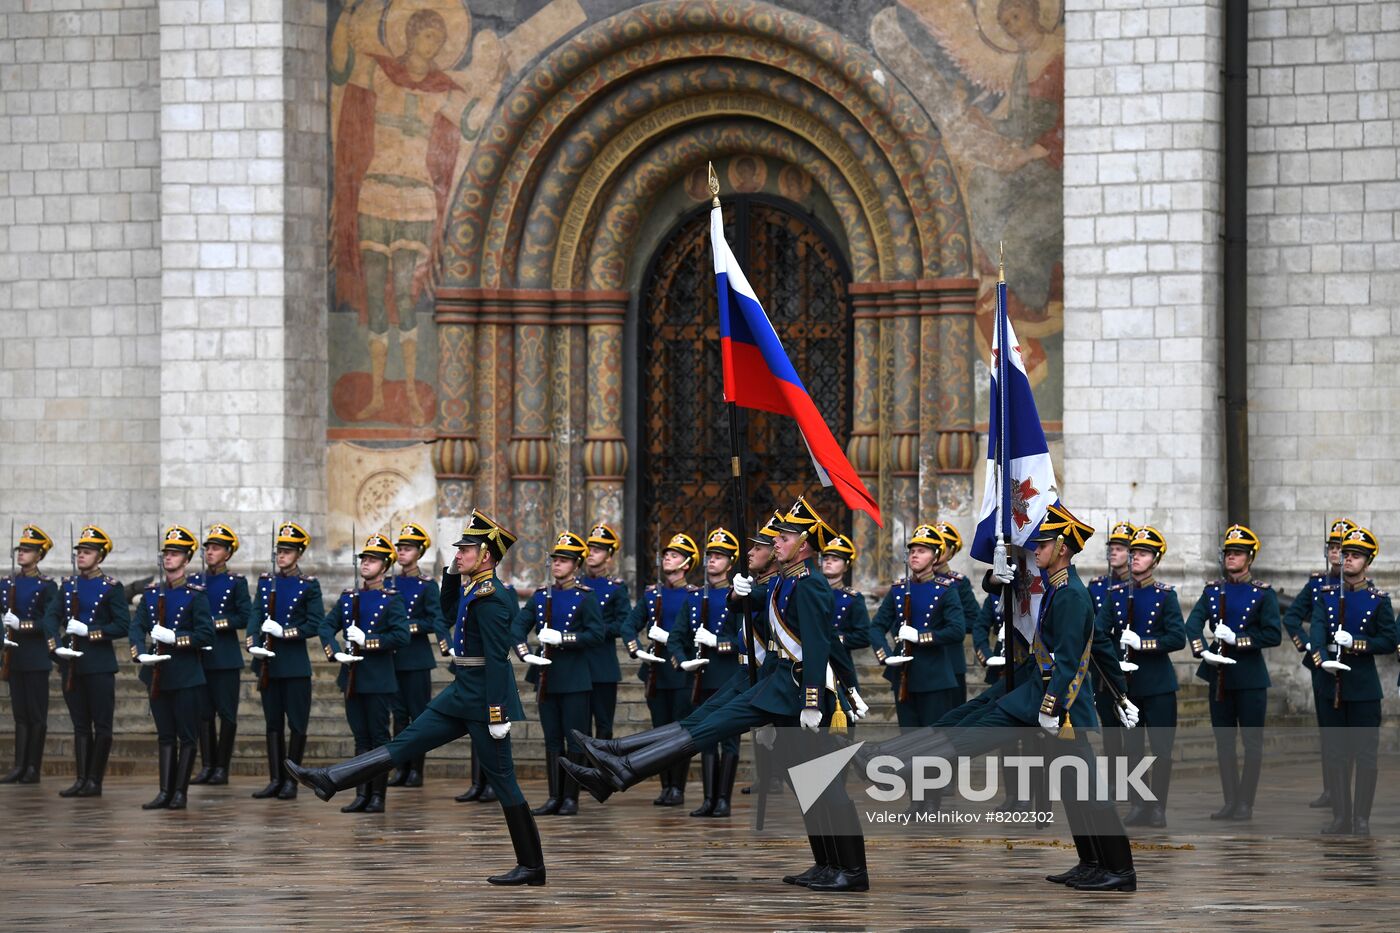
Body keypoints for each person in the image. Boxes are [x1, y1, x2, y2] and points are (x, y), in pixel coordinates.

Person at [563, 497, 868, 893]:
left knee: (823, 784)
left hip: (796, 693)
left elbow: (815, 645)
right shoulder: (785, 580)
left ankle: (854, 872)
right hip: (775, 686)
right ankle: (828, 864)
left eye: (785, 536)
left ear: (805, 544)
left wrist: (812, 701)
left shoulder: (810, 587)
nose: (776, 541)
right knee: (804, 784)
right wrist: (741, 591)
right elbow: (746, 602)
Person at [863, 503, 1139, 892]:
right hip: (1042, 693)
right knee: (1075, 789)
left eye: (1041, 544)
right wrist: (1121, 695)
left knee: (1086, 789)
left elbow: (1074, 657)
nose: (1034, 550)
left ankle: (1120, 870)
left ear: (1062, 547)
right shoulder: (1060, 587)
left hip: (1059, 706)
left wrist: (1054, 706)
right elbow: (1103, 645)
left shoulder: (1072, 594)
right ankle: (1092, 862)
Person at [288, 510, 546, 886]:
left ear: (486, 556)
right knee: (404, 743)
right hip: (461, 692)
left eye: (466, 550)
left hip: (482, 699)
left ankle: (532, 866)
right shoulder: (474, 586)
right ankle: (331, 779)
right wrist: (451, 577)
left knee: (504, 782)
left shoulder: (492, 597)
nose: (458, 555)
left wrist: (497, 712)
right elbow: (446, 613)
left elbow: (496, 657)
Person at [1185, 524, 1282, 821]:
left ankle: (1245, 803)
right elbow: (1192, 624)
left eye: (1238, 553)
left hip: (1250, 677)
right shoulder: (1213, 590)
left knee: (1251, 744)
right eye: (1228, 553)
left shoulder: (1263, 594)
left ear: (1249, 558)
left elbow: (1273, 635)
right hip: (1219, 677)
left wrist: (1237, 640)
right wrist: (1203, 651)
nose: (1231, 558)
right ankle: (1230, 801)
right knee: (1224, 742)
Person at [1305, 525, 1395, 836]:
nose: (1348, 560)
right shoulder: (1326, 596)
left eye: (1355, 556)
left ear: (1367, 562)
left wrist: (1356, 642)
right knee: (1335, 752)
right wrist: (1322, 660)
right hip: (1331, 683)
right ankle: (1341, 817)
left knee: (1365, 754)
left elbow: (1388, 640)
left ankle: (1361, 819)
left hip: (1362, 687)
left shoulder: (1378, 599)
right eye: (1345, 554)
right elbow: (1316, 633)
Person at [510, 531, 602, 816]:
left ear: (577, 565)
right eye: (556, 559)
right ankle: (554, 796)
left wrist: (564, 638)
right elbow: (518, 626)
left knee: (574, 738)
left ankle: (571, 797)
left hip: (574, 676)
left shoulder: (586, 598)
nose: (558, 564)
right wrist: (524, 652)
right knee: (551, 738)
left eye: (565, 560)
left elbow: (596, 634)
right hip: (546, 676)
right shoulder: (541, 596)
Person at [319, 533, 410, 814]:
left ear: (385, 567)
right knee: (360, 738)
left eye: (373, 560)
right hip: (352, 677)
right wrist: (335, 652)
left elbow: (401, 636)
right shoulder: (349, 598)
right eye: (364, 559)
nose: (366, 564)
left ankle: (378, 797)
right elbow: (325, 627)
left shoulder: (392, 600)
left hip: (378, 678)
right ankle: (361, 794)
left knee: (379, 739)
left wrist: (368, 639)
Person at [1103, 525, 1184, 828]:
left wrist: (1145, 644)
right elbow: (1099, 633)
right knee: (1133, 749)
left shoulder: (1165, 596)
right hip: (1128, 685)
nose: (1136, 557)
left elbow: (1177, 638)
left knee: (1161, 749)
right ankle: (1139, 803)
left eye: (1143, 553)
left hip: (1159, 684)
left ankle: (1158, 806)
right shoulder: (1115, 595)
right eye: (1134, 552)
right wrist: (1114, 657)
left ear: (1156, 559)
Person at [130, 526, 215, 810]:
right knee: (165, 734)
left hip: (185, 673)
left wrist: (176, 639)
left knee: (187, 735)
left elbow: (206, 634)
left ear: (187, 559)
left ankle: (180, 792)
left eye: (175, 553)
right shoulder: (152, 593)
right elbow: (137, 627)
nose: (169, 557)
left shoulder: (196, 595)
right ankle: (164, 791)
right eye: (166, 552)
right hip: (157, 673)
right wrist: (140, 653)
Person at [248, 521, 325, 800]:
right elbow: (255, 614)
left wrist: (286, 632)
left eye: (288, 552)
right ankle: (275, 779)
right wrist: (254, 643)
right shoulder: (266, 581)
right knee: (272, 724)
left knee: (296, 724)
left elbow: (315, 623)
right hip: (269, 662)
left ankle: (292, 781)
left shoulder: (309, 585)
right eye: (279, 551)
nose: (282, 556)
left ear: (298, 554)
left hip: (293, 664)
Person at [669, 528, 743, 817]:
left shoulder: (738, 597)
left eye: (720, 556)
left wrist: (719, 643)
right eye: (710, 555)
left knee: (730, 740)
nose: (713, 560)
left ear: (731, 562)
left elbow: (747, 639)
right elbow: (676, 637)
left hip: (729, 677)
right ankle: (709, 799)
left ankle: (724, 799)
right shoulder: (693, 597)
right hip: (700, 678)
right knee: (705, 738)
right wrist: (683, 661)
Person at [1283, 518, 1355, 810]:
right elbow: (1291, 618)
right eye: (1332, 547)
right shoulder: (1316, 584)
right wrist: (1310, 646)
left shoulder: (1360, 587)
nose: (1336, 553)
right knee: (1327, 730)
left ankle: (1344, 790)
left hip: (1349, 664)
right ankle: (1330, 789)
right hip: (1320, 663)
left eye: (1341, 548)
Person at [52, 525, 128, 797]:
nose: (81, 556)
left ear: (100, 556)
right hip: (72, 664)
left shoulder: (111, 588)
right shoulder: (68, 586)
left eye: (87, 552)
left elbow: (122, 625)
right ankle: (81, 778)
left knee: (102, 725)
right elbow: (51, 616)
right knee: (80, 724)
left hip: (98, 664)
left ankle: (95, 780)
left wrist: (91, 631)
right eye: (79, 552)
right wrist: (57, 646)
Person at [626, 531, 700, 806]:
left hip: (681, 672)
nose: (668, 557)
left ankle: (678, 788)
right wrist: (636, 648)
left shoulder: (693, 596)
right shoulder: (651, 594)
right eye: (667, 553)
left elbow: (698, 632)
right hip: (656, 672)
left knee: (679, 733)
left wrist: (670, 638)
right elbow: (629, 624)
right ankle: (665, 786)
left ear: (686, 563)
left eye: (675, 555)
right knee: (659, 732)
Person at [868, 523, 966, 729]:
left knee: (934, 742)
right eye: (912, 551)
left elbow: (956, 630)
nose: (914, 555)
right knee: (908, 738)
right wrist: (886, 655)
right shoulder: (898, 589)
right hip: (904, 673)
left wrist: (920, 636)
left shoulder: (946, 590)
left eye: (922, 551)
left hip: (934, 676)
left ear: (935, 556)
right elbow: (876, 627)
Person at [189, 523, 252, 786]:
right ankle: (207, 765)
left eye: (216, 548)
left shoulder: (236, 582)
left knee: (226, 714)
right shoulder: (194, 582)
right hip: (199, 657)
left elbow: (244, 615)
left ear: (228, 553)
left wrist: (215, 623)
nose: (210, 552)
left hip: (224, 657)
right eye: (208, 548)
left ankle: (221, 768)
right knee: (203, 714)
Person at [385, 522, 446, 789]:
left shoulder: (427, 585)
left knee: (417, 716)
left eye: (407, 548)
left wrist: (407, 626)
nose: (401, 552)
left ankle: (416, 771)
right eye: (400, 547)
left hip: (416, 657)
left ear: (419, 552)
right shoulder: (388, 583)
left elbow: (435, 620)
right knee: (398, 716)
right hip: (392, 658)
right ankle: (401, 767)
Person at [1, 524, 60, 784]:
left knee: (36, 715)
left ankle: (33, 767)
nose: (21, 554)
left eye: (28, 550)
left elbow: (49, 622)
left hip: (35, 656)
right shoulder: (6, 583)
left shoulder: (47, 586)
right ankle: (19, 766)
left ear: (39, 555)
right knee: (20, 714)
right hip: (13, 656)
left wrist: (21, 625)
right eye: (21, 549)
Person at [580, 523, 630, 744]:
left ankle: (602, 773)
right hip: (577, 663)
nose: (591, 553)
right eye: (590, 548)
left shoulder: (616, 588)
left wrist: (597, 631)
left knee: (603, 724)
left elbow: (624, 623)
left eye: (598, 550)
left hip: (603, 665)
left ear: (609, 555)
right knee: (580, 725)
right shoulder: (576, 585)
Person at [820, 533, 871, 735]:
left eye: (835, 559)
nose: (829, 562)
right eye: (826, 558)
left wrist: (835, 640)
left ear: (846, 565)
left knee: (842, 730)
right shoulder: (810, 592)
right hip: (812, 665)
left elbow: (862, 636)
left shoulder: (852, 598)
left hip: (839, 668)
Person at [933, 521, 977, 703]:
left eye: (942, 547)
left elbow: (974, 619)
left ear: (951, 552)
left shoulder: (958, 583)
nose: (937, 551)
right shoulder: (911, 584)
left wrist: (948, 628)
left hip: (950, 659)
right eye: (933, 546)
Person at [1088, 521, 1136, 614]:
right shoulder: (1096, 585)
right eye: (1111, 549)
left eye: (1119, 549)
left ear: (1131, 554)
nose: (1113, 553)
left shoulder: (1138, 586)